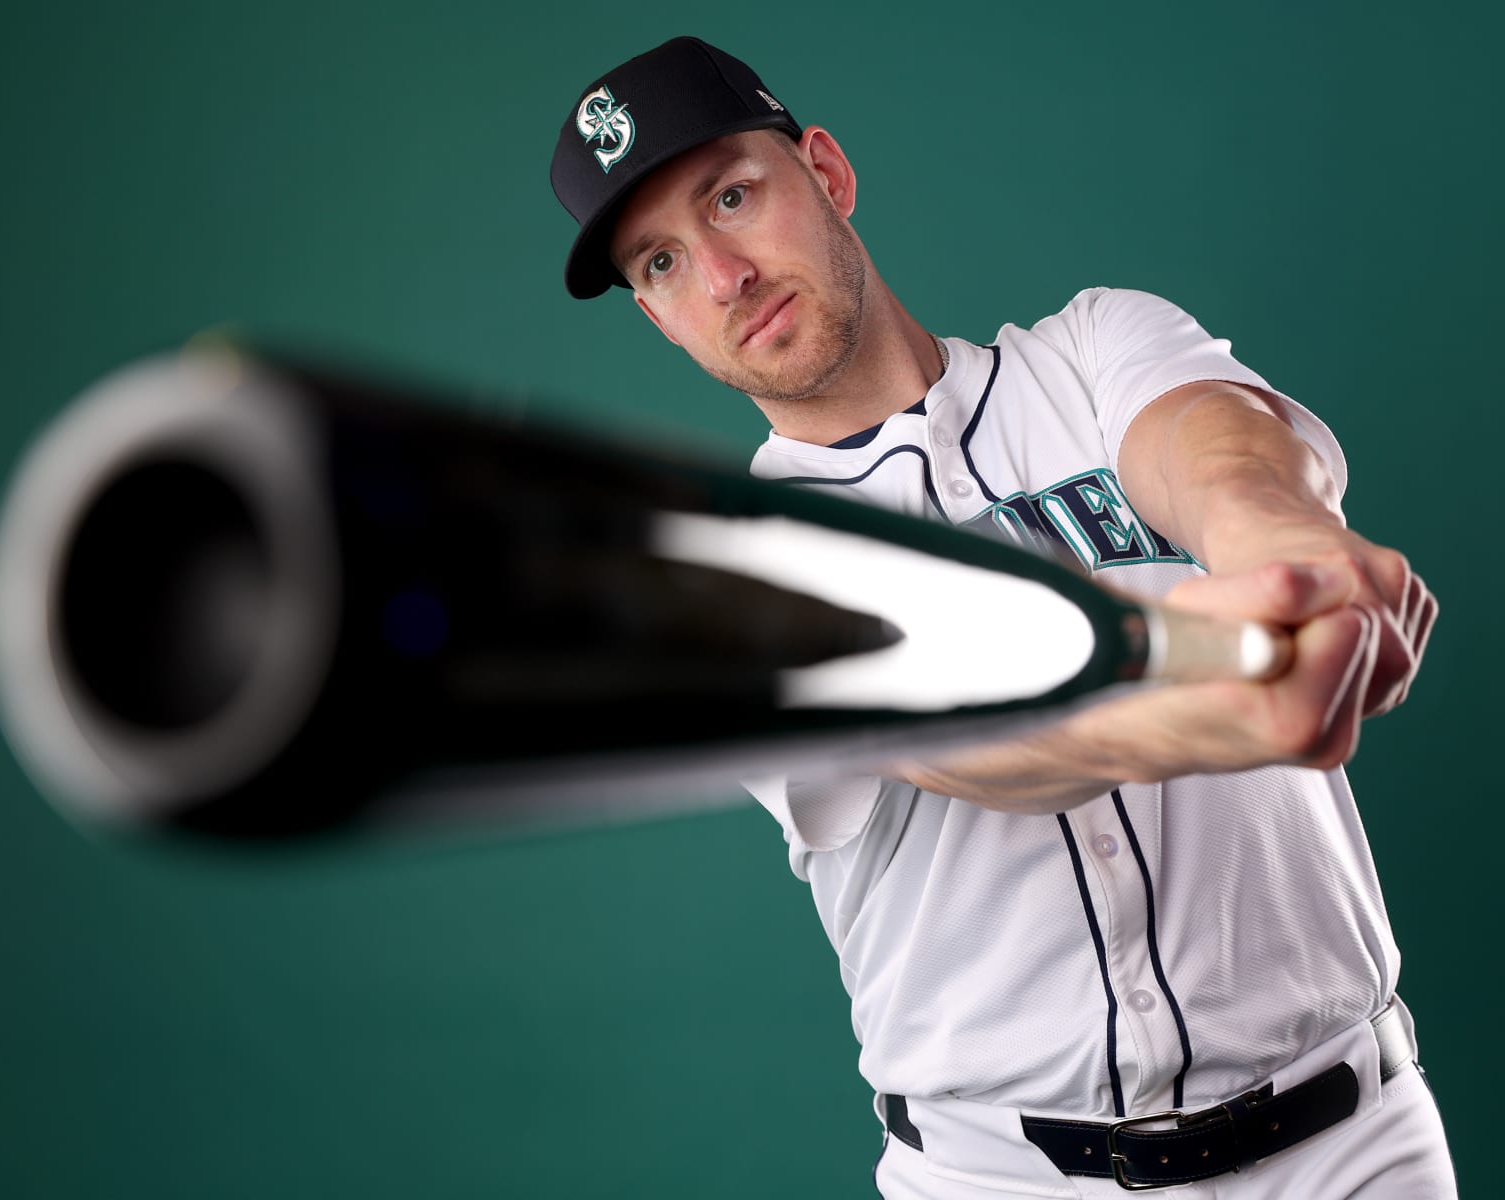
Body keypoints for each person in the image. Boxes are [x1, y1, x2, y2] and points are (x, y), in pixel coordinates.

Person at [550, 37, 1455, 1198]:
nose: (724, 274)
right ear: (658, 319)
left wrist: (1288, 558)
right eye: (664, 264)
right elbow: (1003, 744)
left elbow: (1217, 453)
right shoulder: (731, 567)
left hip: (1349, 1150)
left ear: (825, 173)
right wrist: (1241, 691)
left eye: (733, 196)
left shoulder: (1090, 350)